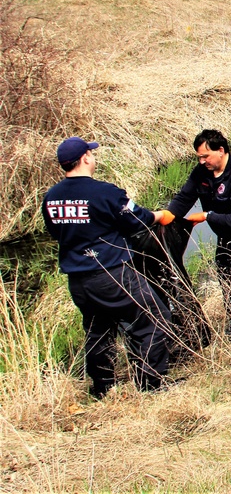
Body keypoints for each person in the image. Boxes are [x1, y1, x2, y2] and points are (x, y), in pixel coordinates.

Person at [42, 137, 174, 398]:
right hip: (112, 274)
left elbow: (55, 232)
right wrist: (160, 216)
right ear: (86, 158)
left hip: (78, 281)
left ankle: (102, 387)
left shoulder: (51, 198)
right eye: (91, 153)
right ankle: (150, 385)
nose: (93, 157)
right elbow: (139, 220)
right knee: (155, 318)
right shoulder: (105, 192)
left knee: (98, 329)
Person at [167, 129, 231, 337]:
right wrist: (166, 215)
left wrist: (206, 216)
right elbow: (184, 198)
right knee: (226, 281)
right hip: (225, 237)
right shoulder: (201, 173)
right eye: (199, 157)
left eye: (205, 156)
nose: (202, 161)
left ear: (221, 150)